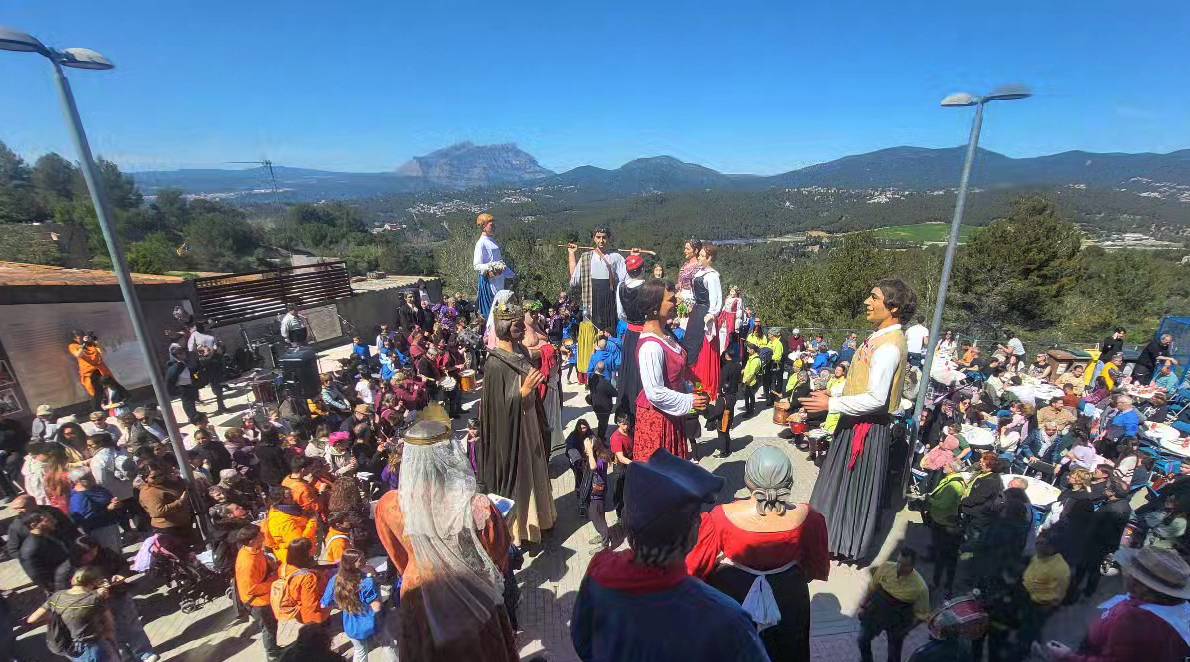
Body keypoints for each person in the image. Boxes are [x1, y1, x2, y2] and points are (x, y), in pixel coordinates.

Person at [571, 450, 769, 662]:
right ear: (692, 534)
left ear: (628, 525)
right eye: (697, 518)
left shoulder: (599, 573)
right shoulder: (728, 619)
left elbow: (582, 642)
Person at [373, 411, 519, 662]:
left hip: (419, 595)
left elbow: (399, 558)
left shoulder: (389, 504)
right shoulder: (477, 506)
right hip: (471, 600)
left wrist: (422, 569)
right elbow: (497, 557)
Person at [803, 279, 914, 561]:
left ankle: (841, 542)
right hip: (855, 422)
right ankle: (830, 537)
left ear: (894, 307)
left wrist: (832, 403)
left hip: (865, 427)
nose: (867, 301)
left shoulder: (889, 346)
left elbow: (877, 398)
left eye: (874, 297)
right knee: (841, 484)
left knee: (850, 487)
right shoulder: (880, 338)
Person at [686, 446, 829, 661]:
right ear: (788, 480)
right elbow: (816, 567)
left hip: (734, 595)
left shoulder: (719, 518)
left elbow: (694, 570)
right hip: (789, 596)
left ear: (748, 480)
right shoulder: (810, 517)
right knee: (789, 650)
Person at [475, 300, 556, 548]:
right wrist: (523, 391)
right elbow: (495, 409)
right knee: (521, 474)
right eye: (517, 325)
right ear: (503, 326)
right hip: (513, 431)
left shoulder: (519, 351)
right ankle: (522, 529)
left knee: (537, 468)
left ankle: (542, 518)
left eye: (522, 324)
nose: (522, 329)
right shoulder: (494, 364)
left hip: (530, 420)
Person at [1037, 546, 1190, 662]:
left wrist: (1067, 656)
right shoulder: (1178, 609)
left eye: (1131, 573)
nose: (1126, 574)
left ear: (1141, 586)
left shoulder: (1136, 621)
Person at [632, 280, 708, 462]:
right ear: (655, 307)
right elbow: (655, 392)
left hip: (671, 414)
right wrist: (690, 400)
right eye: (671, 300)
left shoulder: (665, 336)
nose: (676, 303)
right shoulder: (651, 346)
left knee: (674, 473)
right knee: (661, 475)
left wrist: (690, 390)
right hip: (657, 420)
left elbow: (674, 376)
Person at [567, 228, 630, 379]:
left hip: (610, 304)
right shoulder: (586, 257)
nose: (601, 241)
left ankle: (613, 375)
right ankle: (593, 377)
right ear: (594, 239)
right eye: (598, 237)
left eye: (604, 237)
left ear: (608, 239)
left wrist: (633, 257)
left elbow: (627, 280)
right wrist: (571, 254)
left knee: (610, 339)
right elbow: (574, 281)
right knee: (593, 341)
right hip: (592, 304)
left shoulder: (616, 257)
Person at [321, 548, 398, 662]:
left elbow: (324, 604)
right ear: (351, 564)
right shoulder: (367, 582)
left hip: (352, 625)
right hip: (374, 623)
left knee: (360, 652)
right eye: (361, 559)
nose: (364, 560)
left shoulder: (335, 580)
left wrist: (344, 603)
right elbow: (376, 607)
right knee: (388, 646)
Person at [857, 548, 930, 662]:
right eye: (899, 562)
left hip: (899, 616)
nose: (900, 567)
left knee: (894, 654)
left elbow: (922, 615)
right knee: (862, 639)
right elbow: (872, 588)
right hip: (878, 608)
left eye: (905, 565)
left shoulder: (920, 587)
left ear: (913, 565)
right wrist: (863, 605)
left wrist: (906, 631)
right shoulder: (885, 567)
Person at [47, 566, 119, 662]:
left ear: (73, 580)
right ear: (93, 583)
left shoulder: (57, 596)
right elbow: (109, 624)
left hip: (72, 647)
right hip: (94, 647)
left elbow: (32, 619)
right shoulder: (95, 599)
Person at [234, 525, 282, 660]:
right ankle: (272, 655)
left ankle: (274, 648)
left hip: (263, 597)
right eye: (259, 534)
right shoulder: (247, 562)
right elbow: (251, 588)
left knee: (272, 624)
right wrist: (274, 581)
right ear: (251, 541)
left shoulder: (254, 550)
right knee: (269, 627)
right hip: (257, 602)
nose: (263, 534)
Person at [682, 244, 723, 391]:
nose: (699, 257)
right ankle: (689, 379)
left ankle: (702, 383)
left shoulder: (712, 276)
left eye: (702, 256)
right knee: (690, 344)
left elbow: (717, 298)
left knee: (700, 346)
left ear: (709, 258)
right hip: (696, 311)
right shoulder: (700, 272)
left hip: (705, 313)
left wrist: (712, 314)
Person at [273, 538, 331, 639]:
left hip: (297, 609)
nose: (316, 546)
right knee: (319, 638)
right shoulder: (307, 577)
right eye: (313, 546)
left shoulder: (284, 566)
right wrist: (316, 622)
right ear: (305, 553)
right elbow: (310, 605)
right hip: (312, 615)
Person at [615, 253, 648, 422]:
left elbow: (621, 314)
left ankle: (627, 412)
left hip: (630, 333)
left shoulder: (621, 286)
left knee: (628, 372)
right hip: (646, 334)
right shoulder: (648, 287)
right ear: (642, 269)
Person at [137, 461, 195, 550]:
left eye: (161, 474)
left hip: (183, 524)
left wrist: (177, 479)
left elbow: (181, 487)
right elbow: (157, 512)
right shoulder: (149, 492)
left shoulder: (165, 483)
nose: (159, 478)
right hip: (168, 529)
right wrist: (180, 502)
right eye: (154, 477)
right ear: (145, 478)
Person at [473, 213, 515, 319]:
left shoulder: (492, 241)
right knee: (492, 311)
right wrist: (492, 266)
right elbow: (477, 265)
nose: (494, 227)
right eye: (491, 225)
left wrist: (507, 272)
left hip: (499, 280)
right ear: (483, 226)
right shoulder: (481, 243)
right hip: (490, 282)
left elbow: (499, 260)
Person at [68, 471, 121, 553]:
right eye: (88, 477)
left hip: (111, 524)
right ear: (78, 481)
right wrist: (108, 509)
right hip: (99, 530)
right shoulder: (78, 497)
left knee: (117, 551)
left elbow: (107, 497)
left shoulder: (95, 488)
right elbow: (85, 518)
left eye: (91, 475)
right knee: (111, 553)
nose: (92, 478)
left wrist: (114, 502)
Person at [68, 330, 114, 411]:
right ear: (74, 338)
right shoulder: (73, 346)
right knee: (94, 392)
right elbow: (78, 354)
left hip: (100, 370)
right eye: (79, 336)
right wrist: (84, 344)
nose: (82, 337)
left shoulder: (91, 344)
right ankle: (97, 411)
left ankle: (111, 406)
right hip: (89, 373)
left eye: (83, 335)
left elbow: (103, 353)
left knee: (108, 388)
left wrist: (95, 342)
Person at [715, 349, 743, 457]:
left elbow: (722, 382)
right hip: (733, 395)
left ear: (726, 356)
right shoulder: (738, 366)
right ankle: (727, 448)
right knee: (728, 420)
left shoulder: (726, 368)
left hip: (726, 396)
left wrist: (719, 392)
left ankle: (723, 451)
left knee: (722, 424)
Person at [164, 343, 199, 424]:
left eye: (183, 352)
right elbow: (169, 380)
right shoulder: (175, 366)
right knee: (188, 403)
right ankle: (192, 417)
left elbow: (191, 372)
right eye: (181, 353)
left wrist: (196, 379)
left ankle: (193, 415)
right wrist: (173, 391)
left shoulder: (182, 363)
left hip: (189, 385)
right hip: (182, 387)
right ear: (176, 355)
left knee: (191, 402)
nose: (184, 354)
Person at [589, 361, 617, 440]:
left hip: (595, 404)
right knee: (603, 424)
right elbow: (615, 393)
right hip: (604, 407)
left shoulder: (591, 379)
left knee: (600, 421)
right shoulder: (605, 383)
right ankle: (600, 439)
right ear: (604, 369)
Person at [741, 342, 763, 417]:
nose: (747, 351)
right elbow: (748, 368)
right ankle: (749, 410)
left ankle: (750, 412)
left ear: (753, 350)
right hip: (748, 381)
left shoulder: (756, 360)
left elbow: (752, 373)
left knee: (750, 396)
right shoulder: (751, 357)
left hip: (751, 382)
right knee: (748, 396)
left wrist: (745, 381)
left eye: (748, 349)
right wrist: (744, 370)